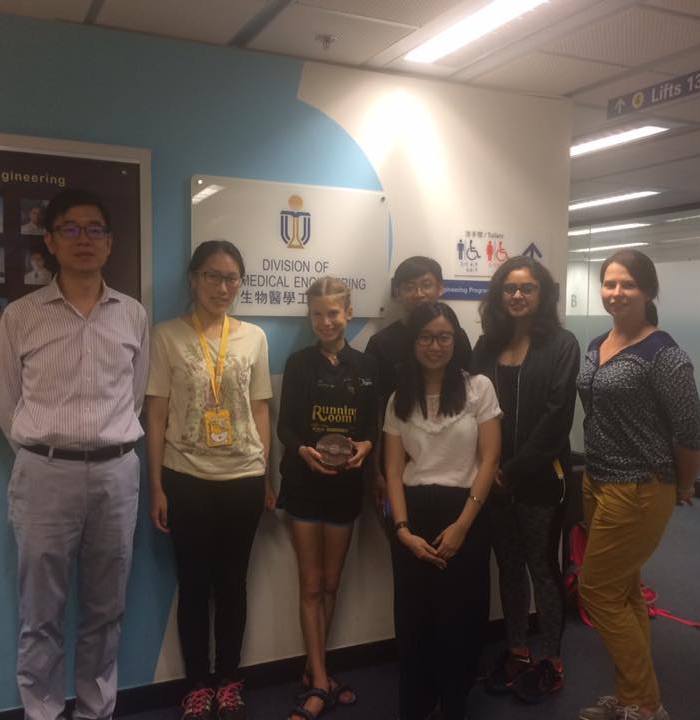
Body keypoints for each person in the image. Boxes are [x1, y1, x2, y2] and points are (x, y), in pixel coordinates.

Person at [0, 188, 150, 720]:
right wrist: (46, 451)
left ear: (110, 242)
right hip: (45, 473)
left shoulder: (132, 315)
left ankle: (95, 711)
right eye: (71, 229)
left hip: (116, 475)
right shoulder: (21, 316)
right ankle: (41, 712)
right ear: (50, 241)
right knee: (41, 613)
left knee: (107, 609)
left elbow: (135, 394)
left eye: (95, 229)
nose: (84, 239)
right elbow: (6, 401)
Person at [145, 239, 273, 720]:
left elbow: (260, 409)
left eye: (231, 278)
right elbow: (156, 413)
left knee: (233, 584)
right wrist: (156, 486)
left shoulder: (254, 337)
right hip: (186, 478)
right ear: (194, 279)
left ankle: (230, 679)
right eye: (213, 276)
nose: (223, 287)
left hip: (243, 478)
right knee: (194, 585)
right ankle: (198, 684)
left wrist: (265, 472)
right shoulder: (167, 335)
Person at [575, 249, 700, 720]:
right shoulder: (597, 344)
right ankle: (633, 697)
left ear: (648, 291)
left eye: (627, 284)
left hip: (640, 485)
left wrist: (684, 485)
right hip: (597, 480)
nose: (616, 292)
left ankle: (645, 705)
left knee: (596, 591)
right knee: (623, 591)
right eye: (609, 283)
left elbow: (690, 431)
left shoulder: (664, 354)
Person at [384, 301, 501, 720]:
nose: (435, 346)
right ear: (412, 342)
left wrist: (462, 526)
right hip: (412, 514)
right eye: (426, 337)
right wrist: (401, 529)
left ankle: (454, 703)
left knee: (459, 620)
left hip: (466, 511)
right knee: (413, 621)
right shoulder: (399, 398)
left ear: (456, 340)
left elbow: (489, 460)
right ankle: (417, 704)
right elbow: (393, 471)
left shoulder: (479, 388)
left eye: (444, 337)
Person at [471, 256, 580, 703]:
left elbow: (557, 417)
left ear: (542, 294)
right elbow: (471, 408)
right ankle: (516, 649)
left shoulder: (562, 344)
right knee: (510, 566)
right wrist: (488, 469)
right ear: (499, 295)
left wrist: (510, 472)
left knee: (543, 567)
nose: (517, 296)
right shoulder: (485, 346)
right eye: (510, 288)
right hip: (492, 477)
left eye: (527, 288)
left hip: (539, 479)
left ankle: (551, 659)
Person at [276, 277, 380, 720]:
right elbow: (285, 427)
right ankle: (321, 681)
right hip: (304, 484)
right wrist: (302, 450)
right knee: (311, 585)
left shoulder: (366, 366)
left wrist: (366, 447)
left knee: (332, 585)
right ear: (310, 316)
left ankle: (313, 669)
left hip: (345, 487)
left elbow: (373, 426)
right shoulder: (298, 363)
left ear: (349, 314)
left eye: (333, 313)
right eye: (317, 314)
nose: (325, 321)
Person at [365, 256, 473, 512]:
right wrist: (375, 470)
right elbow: (374, 410)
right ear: (397, 292)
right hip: (397, 456)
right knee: (399, 527)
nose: (419, 294)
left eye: (426, 285)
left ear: (440, 288)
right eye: (409, 287)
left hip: (454, 464)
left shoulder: (457, 338)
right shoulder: (381, 343)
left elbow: (471, 402)